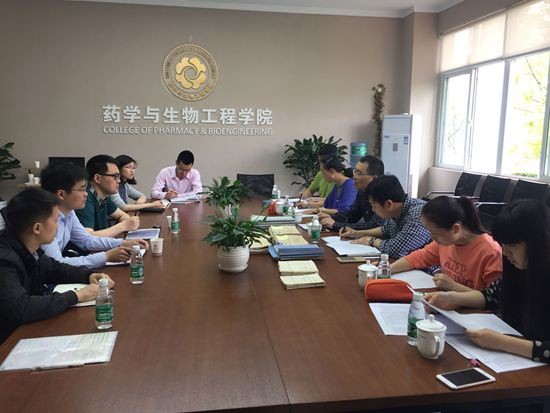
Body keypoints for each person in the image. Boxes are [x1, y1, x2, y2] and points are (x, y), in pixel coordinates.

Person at [425, 200, 550, 363]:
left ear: (537, 243)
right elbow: (490, 296)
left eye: (512, 245)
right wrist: (451, 298)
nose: (505, 253)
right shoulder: (520, 269)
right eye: (503, 245)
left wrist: (503, 343)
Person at [0, 188, 114, 343]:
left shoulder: (27, 246)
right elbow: (20, 308)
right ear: (37, 228)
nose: (58, 227)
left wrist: (88, 275)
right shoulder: (5, 260)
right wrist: (77, 296)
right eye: (55, 221)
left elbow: (53, 268)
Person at [41, 162, 148, 269]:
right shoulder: (44, 220)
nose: (86, 194)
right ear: (61, 194)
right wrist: (106, 256)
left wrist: (123, 243)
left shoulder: (69, 212)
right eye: (82, 190)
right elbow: (55, 264)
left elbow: (86, 240)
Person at [390, 196, 502, 291]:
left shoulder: (491, 252)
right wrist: (388, 269)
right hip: (447, 301)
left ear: (455, 228)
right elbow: (420, 257)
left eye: (435, 233)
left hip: (472, 309)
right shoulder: (445, 242)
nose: (431, 237)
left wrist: (454, 287)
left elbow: (492, 299)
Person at [340, 175, 431, 258]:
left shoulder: (418, 215)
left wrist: (371, 240)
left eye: (373, 205)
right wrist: (357, 233)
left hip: (425, 269)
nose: (373, 210)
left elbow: (395, 250)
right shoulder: (398, 210)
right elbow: (385, 229)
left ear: (388, 204)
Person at [75, 154, 140, 237]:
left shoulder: (103, 196)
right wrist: (124, 226)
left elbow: (121, 215)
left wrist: (127, 223)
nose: (119, 181)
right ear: (97, 178)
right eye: (115, 176)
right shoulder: (84, 198)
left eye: (119, 176)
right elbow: (87, 237)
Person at [318, 155, 384, 231]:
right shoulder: (362, 192)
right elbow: (351, 216)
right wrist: (331, 218)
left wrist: (335, 224)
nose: (354, 176)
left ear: (374, 178)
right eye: (355, 171)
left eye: (359, 173)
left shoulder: (383, 195)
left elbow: (372, 226)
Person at [298, 143, 338, 207]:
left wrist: (310, 204)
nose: (320, 166)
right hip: (321, 209)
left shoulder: (342, 178)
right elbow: (310, 190)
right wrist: (304, 196)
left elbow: (335, 202)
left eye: (322, 162)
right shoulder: (320, 174)